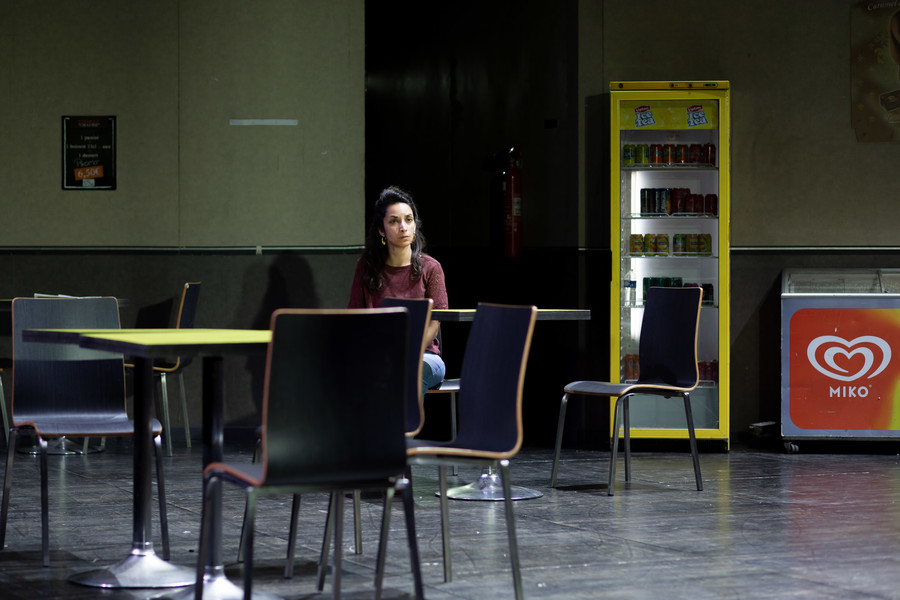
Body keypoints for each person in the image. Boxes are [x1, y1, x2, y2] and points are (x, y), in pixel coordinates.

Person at [348, 186, 448, 394]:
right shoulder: (367, 267)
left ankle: (406, 418)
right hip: (379, 353)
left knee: (409, 372)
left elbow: (435, 322)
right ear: (381, 230)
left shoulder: (431, 268)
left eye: (408, 220)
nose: (403, 227)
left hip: (424, 355)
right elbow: (355, 317)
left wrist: (407, 352)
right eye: (394, 221)